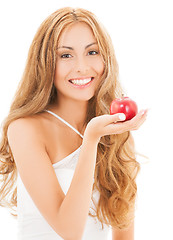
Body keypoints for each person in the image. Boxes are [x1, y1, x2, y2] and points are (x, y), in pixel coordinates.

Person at [0, 7, 148, 240]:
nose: (81, 66)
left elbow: (123, 229)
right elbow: (69, 231)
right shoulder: (25, 128)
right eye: (66, 55)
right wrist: (91, 140)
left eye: (92, 52)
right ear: (45, 63)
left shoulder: (115, 130)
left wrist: (101, 134)